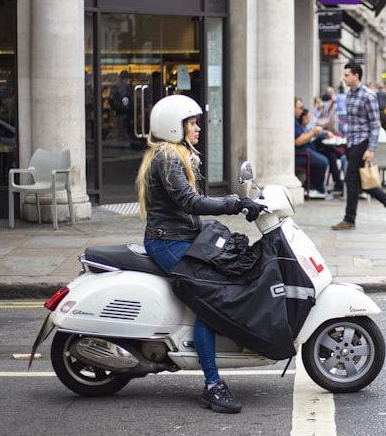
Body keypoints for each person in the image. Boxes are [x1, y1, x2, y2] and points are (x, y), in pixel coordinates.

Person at [136, 94, 263, 414]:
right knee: (208, 302)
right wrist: (236, 203)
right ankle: (211, 384)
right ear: (173, 128)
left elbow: (190, 209)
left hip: (181, 236)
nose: (198, 129)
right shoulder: (167, 157)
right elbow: (190, 203)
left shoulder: (178, 155)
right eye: (192, 123)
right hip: (167, 242)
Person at [331, 61, 386, 230]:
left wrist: (370, 148)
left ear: (356, 76)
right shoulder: (349, 95)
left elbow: (375, 124)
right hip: (352, 141)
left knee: (350, 179)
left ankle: (350, 219)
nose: (344, 78)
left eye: (347, 75)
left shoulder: (368, 96)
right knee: (359, 182)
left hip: (362, 143)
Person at [294, 102, 334, 200]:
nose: (302, 110)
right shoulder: (293, 122)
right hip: (300, 154)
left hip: (306, 151)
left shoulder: (296, 121)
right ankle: (313, 188)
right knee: (322, 161)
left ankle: (317, 187)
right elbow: (298, 141)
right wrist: (314, 132)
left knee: (330, 154)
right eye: (300, 108)